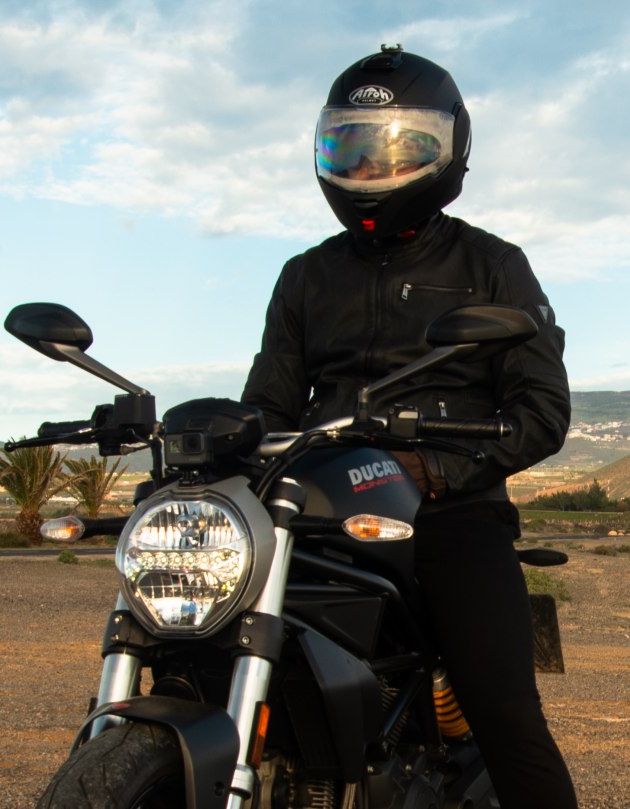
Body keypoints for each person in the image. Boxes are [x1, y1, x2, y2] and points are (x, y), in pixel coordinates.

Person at [240, 46, 578, 807]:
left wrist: (439, 469)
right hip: (320, 518)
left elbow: (541, 410)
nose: (370, 166)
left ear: (450, 149)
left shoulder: (494, 266)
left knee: (506, 716)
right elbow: (269, 402)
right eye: (351, 146)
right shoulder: (306, 276)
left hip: (449, 516)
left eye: (396, 147)